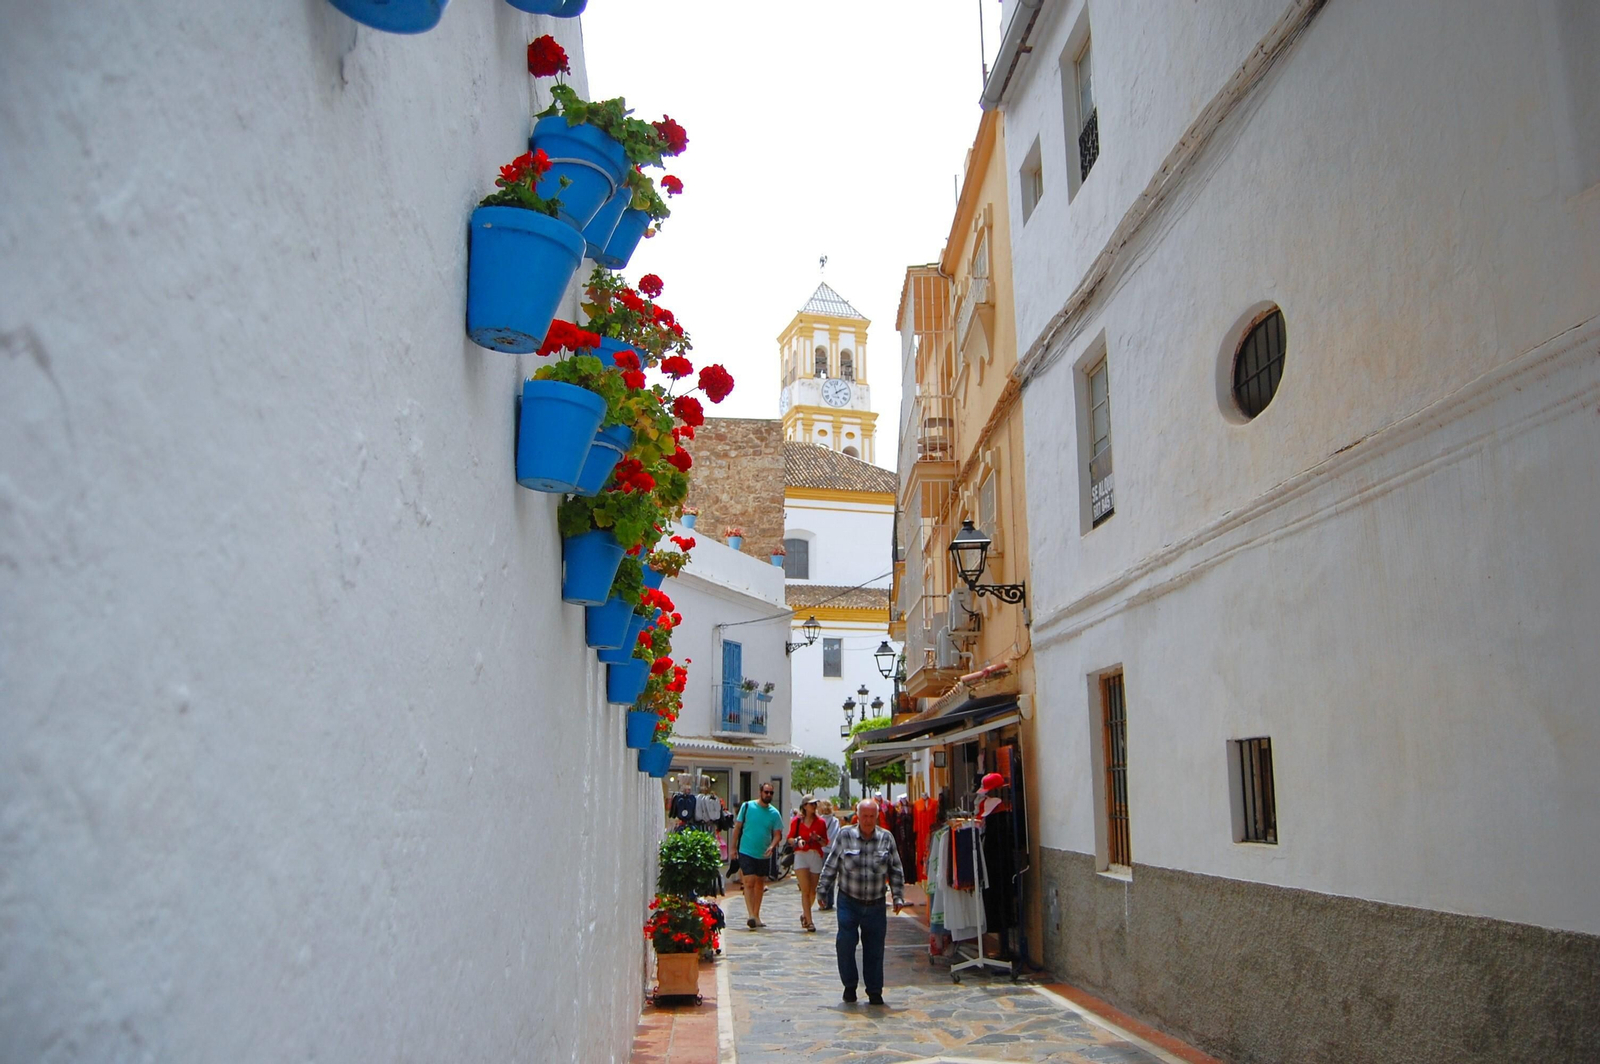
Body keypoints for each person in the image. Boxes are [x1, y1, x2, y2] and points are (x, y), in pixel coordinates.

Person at [816, 798, 906, 1006]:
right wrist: (822, 891)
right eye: (864, 816)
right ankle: (849, 985)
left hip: (875, 903)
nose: (868, 820)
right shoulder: (845, 835)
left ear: (877, 817)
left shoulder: (886, 838)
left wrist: (898, 895)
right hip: (849, 900)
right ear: (858, 816)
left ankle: (874, 991)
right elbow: (831, 864)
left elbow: (896, 868)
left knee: (875, 948)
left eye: (871, 816)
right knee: (845, 943)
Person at [729, 782, 784, 929]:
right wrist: (733, 847)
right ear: (760, 792)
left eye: (771, 793)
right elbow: (738, 827)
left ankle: (756, 914)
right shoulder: (747, 807)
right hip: (746, 850)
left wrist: (772, 846)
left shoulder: (774, 813)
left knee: (760, 883)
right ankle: (751, 915)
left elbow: (778, 834)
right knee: (749, 882)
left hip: (764, 853)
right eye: (766, 792)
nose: (768, 795)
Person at [787, 795, 830, 932]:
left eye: (815, 804)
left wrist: (817, 838)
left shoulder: (821, 822)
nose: (814, 806)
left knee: (812, 891)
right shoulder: (797, 821)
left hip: (815, 855)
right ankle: (809, 921)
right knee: (805, 890)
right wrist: (797, 841)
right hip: (801, 855)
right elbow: (789, 838)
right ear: (805, 806)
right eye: (811, 804)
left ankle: (805, 914)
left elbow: (825, 842)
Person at [816, 799, 841, 911]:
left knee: (823, 876)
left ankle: (823, 900)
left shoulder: (819, 820)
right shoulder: (835, 821)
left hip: (822, 850)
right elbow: (837, 835)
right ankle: (830, 900)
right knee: (832, 876)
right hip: (833, 850)